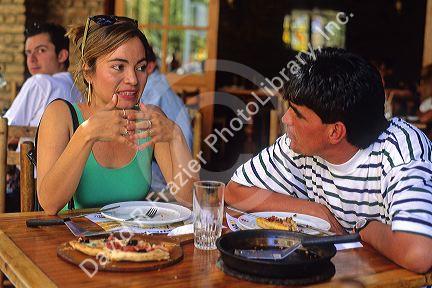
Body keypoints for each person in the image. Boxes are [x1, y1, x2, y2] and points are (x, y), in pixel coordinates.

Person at [226, 48, 432, 273]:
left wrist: (367, 229)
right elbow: (235, 191)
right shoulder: (300, 147)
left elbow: (418, 254)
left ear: (335, 132)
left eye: (298, 114)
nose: (286, 119)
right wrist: (313, 210)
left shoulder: (401, 153)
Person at [36, 15, 196, 215]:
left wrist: (176, 135)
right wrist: (87, 134)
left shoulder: (149, 120)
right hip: (69, 243)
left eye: (140, 67)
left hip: (130, 243)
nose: (133, 79)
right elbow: (50, 204)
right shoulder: (62, 116)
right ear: (88, 72)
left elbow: (189, 202)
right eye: (118, 66)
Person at [4, 22, 81, 127]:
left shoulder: (39, 82)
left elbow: (6, 129)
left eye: (41, 50)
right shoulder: (77, 94)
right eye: (28, 53)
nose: (31, 59)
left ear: (61, 56)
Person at [140, 48, 193, 194]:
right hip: (177, 163)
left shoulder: (153, 90)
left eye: (140, 67)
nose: (131, 78)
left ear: (150, 67)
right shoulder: (158, 84)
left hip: (170, 173)